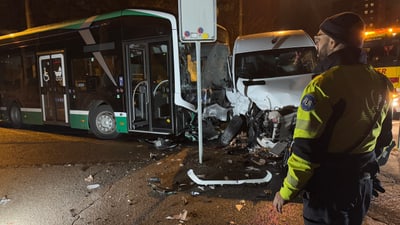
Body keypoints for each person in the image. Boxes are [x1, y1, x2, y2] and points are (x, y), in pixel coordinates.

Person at [273, 12, 394, 225]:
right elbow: (383, 142)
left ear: (333, 41)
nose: (317, 44)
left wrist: (286, 192)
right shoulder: (382, 83)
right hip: (361, 189)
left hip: (328, 195)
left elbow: (305, 153)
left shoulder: (323, 86)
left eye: (318, 38)